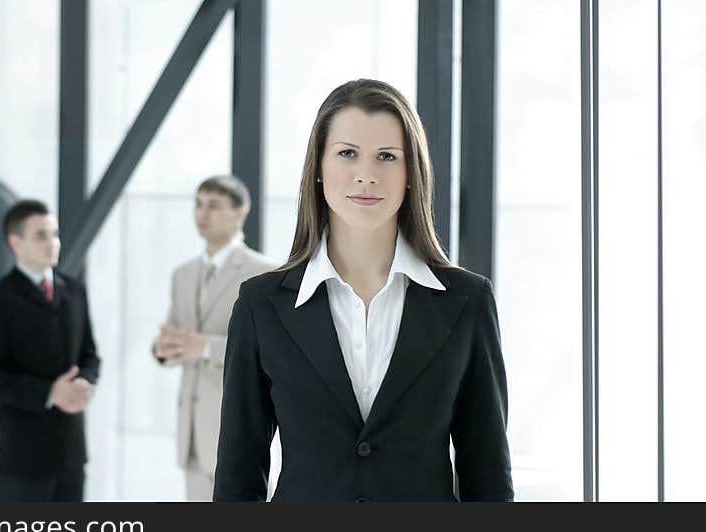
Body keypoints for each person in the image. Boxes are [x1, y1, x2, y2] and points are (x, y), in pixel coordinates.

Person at [213, 79, 513, 502]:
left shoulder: (468, 302)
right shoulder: (261, 306)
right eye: (347, 153)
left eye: (387, 157)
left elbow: (488, 475)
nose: (366, 175)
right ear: (319, 167)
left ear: (412, 173)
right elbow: (237, 478)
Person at [152, 175, 275, 501]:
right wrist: (163, 349)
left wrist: (206, 347)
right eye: (199, 204)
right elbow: (176, 329)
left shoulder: (263, 272)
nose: (202, 213)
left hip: (235, 425)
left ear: (240, 213)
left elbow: (270, 348)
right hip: (191, 431)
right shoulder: (183, 274)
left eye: (214, 205)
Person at [0, 200, 100, 502]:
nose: (53, 243)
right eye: (41, 235)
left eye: (54, 234)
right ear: (16, 243)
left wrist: (85, 382)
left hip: (71, 452)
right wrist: (49, 393)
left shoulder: (74, 291)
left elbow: (90, 354)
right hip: (22, 457)